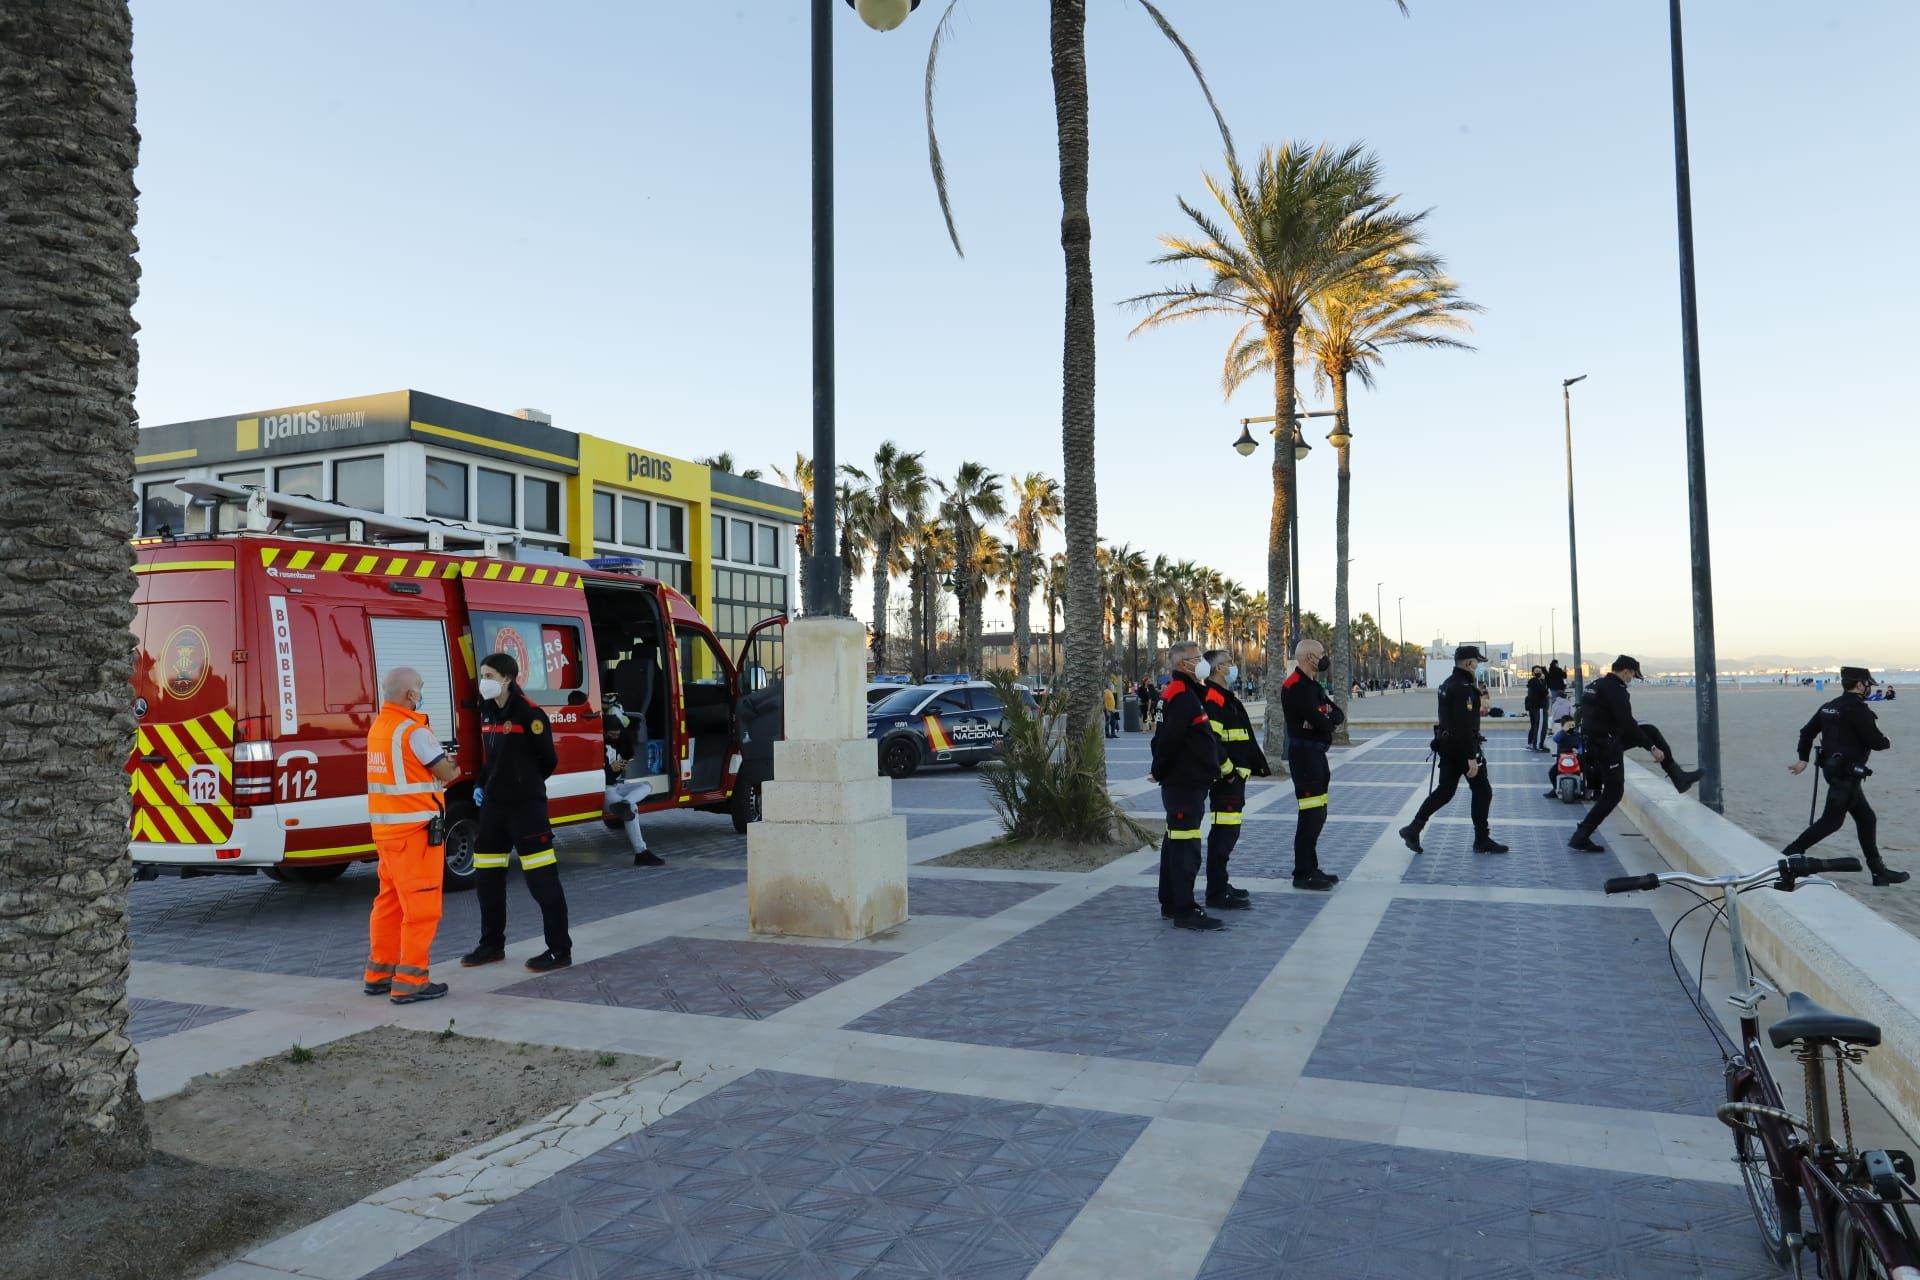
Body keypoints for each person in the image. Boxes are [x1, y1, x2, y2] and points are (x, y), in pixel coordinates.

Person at [462, 653, 573, 972]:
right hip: (494, 808)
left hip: (526, 808)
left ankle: (559, 950)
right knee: (488, 879)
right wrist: (483, 783)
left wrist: (522, 782)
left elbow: (548, 760)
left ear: (508, 678)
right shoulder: (488, 712)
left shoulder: (529, 713)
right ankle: (491, 944)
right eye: (482, 674)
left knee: (542, 880)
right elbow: (492, 757)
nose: (483, 681)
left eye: (489, 675)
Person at [364, 667, 461, 1004]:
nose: (421, 693)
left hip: (387, 833)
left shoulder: (380, 727)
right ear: (409, 695)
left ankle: (380, 973)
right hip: (417, 835)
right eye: (419, 687)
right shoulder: (413, 731)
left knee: (389, 903)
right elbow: (446, 773)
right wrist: (455, 762)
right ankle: (410, 980)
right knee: (422, 908)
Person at [1568, 655, 1702, 853]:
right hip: (1606, 745)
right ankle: (1581, 836)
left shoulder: (1597, 684)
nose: (1631, 680)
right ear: (1625, 672)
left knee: (1649, 730)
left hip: (1595, 741)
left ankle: (1677, 776)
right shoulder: (1617, 690)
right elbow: (1627, 723)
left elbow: (1590, 714)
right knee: (1613, 794)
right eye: (1632, 676)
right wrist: (1652, 748)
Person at [1784, 666, 1904, 885]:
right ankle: (1790, 853)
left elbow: (1807, 732)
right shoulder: (1858, 710)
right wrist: (1887, 740)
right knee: (1831, 821)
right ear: (1859, 684)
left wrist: (1804, 759)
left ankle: (1879, 872)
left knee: (1867, 818)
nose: (1869, 688)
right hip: (1846, 775)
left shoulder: (1829, 707)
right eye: (1868, 683)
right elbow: (1877, 743)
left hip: (1834, 772)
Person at [1399, 646, 1508, 855]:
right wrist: (1471, 757)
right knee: (1483, 791)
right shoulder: (1464, 688)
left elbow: (1447, 719)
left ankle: (1414, 828)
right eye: (1476, 662)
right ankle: (1482, 839)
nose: (1477, 666)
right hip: (1463, 749)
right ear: (1468, 663)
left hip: (1448, 747)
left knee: (1445, 791)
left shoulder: (1448, 684)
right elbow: (1464, 726)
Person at [1149, 642, 1228, 929]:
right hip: (1183, 783)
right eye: (1197, 658)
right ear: (1184, 664)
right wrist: (1158, 771)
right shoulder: (1181, 695)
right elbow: (1168, 740)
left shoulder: (1185, 692)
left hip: (1186, 781)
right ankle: (1184, 909)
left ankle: (1171, 902)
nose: (1202, 661)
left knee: (1176, 841)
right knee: (1186, 846)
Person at [1199, 648, 1270, 910]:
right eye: (1229, 663)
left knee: (1229, 833)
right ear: (1218, 668)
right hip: (1226, 779)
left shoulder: (1224, 696)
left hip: (1234, 777)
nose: (1232, 667)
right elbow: (1212, 740)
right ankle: (1216, 892)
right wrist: (1228, 770)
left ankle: (1221, 884)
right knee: (1223, 834)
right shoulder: (1214, 698)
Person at [1279, 639, 1343, 891]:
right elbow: (1325, 722)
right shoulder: (1294, 686)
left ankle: (1311, 867)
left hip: (1318, 755)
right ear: (1308, 657)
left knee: (1319, 814)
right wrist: (1322, 718)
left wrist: (1322, 718)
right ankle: (1302, 873)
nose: (1325, 658)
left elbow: (1336, 714)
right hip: (1304, 757)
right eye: (1321, 654)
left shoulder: (1313, 685)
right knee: (1310, 816)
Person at [603, 702, 661, 866]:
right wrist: (609, 768)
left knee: (646, 786)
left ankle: (626, 802)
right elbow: (596, 776)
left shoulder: (620, 740)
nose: (614, 737)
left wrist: (621, 764)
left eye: (617, 734)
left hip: (617, 787)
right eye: (612, 734)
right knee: (632, 810)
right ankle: (641, 852)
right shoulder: (599, 745)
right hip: (605, 791)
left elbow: (629, 751)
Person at [1525, 665, 1551, 752]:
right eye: (1536, 671)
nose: (1538, 672)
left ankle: (1535, 743)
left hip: (1539, 707)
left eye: (1539, 671)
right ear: (1533, 672)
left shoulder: (1542, 681)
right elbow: (1544, 691)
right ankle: (1538, 744)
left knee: (1536, 725)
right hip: (1538, 707)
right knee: (1540, 726)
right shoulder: (1534, 681)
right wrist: (1546, 692)